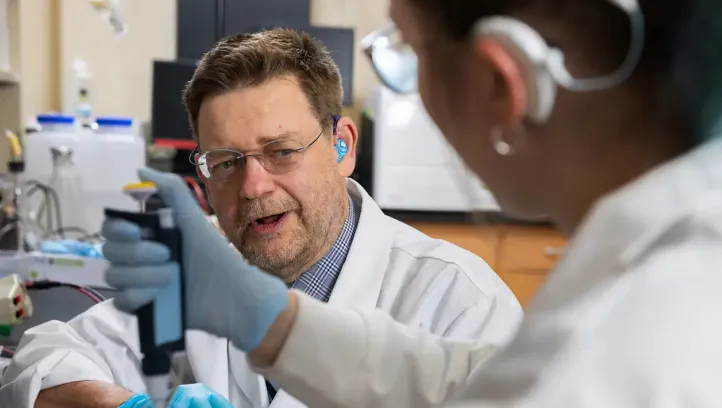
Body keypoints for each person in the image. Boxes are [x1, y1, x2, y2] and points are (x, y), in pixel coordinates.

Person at [0, 29, 524, 408]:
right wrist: (120, 405)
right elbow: (38, 360)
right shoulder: (200, 273)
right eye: (226, 163)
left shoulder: (460, 303)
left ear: (341, 146)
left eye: (282, 151)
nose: (252, 187)